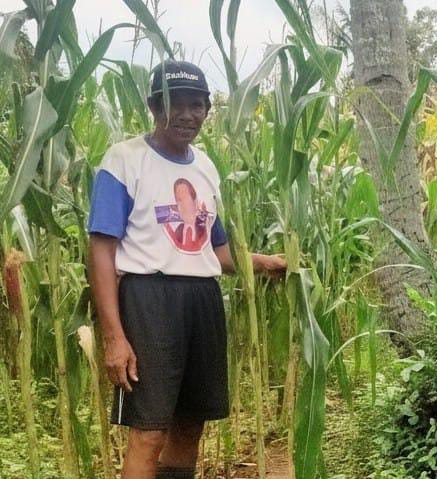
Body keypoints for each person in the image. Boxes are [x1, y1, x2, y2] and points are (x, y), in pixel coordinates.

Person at [87, 60, 287, 479]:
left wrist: (265, 263)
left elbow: (218, 252)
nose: (186, 114)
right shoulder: (124, 160)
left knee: (190, 424)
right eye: (173, 103)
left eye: (197, 105)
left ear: (207, 110)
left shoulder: (205, 167)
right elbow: (102, 250)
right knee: (149, 431)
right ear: (153, 106)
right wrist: (114, 337)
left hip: (202, 300)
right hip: (148, 301)